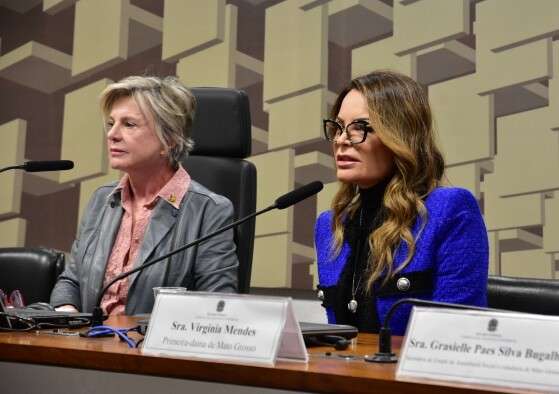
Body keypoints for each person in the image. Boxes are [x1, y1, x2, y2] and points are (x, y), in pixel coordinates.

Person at [315, 70, 488, 335]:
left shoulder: (449, 210)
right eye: (337, 127)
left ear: (399, 136)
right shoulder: (330, 225)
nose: (340, 140)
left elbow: (457, 338)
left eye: (360, 127)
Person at [50, 76, 238, 315]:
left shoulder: (209, 210)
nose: (112, 135)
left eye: (129, 124)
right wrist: (67, 315)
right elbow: (72, 280)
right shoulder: (102, 199)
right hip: (88, 345)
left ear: (169, 139)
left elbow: (217, 305)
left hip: (152, 349)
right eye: (111, 123)